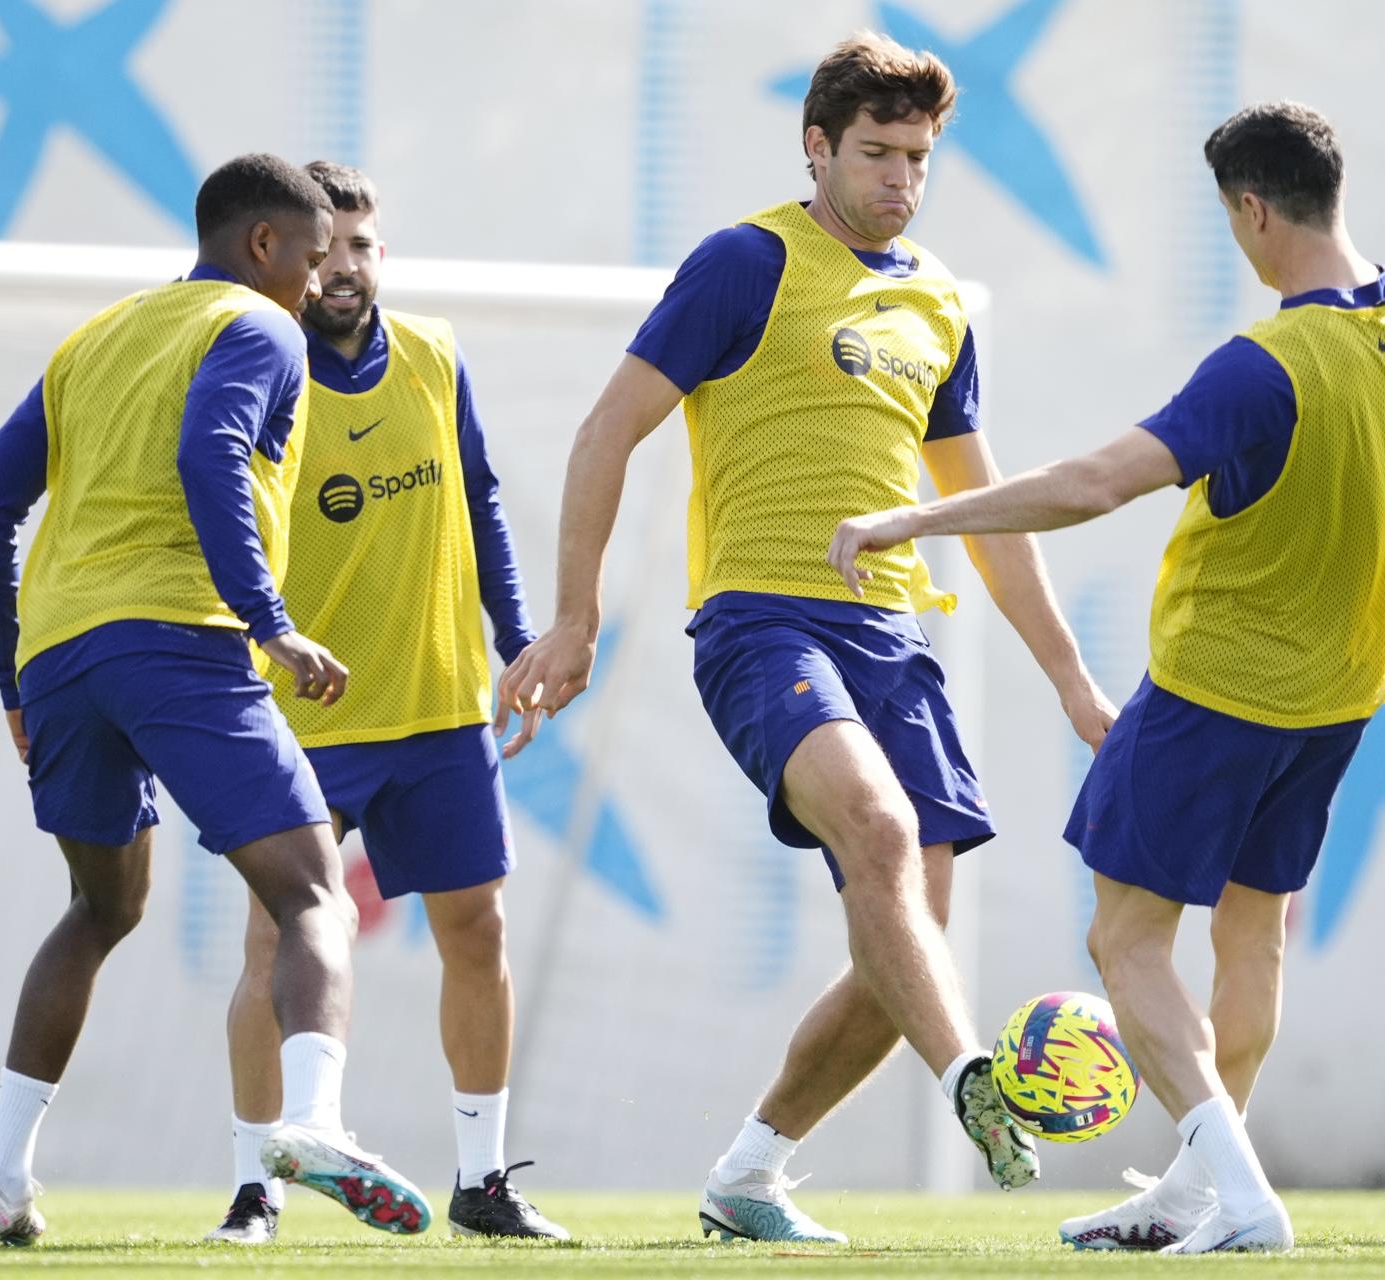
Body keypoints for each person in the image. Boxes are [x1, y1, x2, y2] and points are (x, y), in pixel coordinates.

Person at [828, 101, 1385, 1254]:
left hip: (1214, 694)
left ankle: (1239, 1192)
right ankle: (1203, 1187)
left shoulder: (1265, 365)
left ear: (1251, 207)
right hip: (1340, 698)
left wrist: (922, 514)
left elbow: (1092, 483)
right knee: (1253, 943)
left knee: (1126, 944)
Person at [496, 33, 1114, 1243]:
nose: (900, 178)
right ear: (817, 145)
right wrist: (574, 618)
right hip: (762, 623)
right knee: (880, 831)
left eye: (919, 158)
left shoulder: (938, 302)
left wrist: (1073, 679)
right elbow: (605, 430)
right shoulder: (743, 262)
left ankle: (750, 1169)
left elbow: (988, 514)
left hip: (897, 639)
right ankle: (971, 1082)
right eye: (877, 152)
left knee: (906, 938)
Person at [0, 153, 430, 1246]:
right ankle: (311, 1121)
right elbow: (211, 449)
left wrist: (11, 673)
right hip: (181, 640)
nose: (318, 286)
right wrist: (266, 617)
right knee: (314, 887)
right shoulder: (257, 330)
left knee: (101, 907)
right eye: (312, 260)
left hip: (65, 660)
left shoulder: (93, 339)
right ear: (265, 245)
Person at [205, 161, 565, 1245]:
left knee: (477, 929)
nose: (347, 267)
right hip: (306, 713)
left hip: (440, 707)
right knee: (273, 947)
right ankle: (257, 1183)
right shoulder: (259, 365)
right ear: (298, 255)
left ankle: (482, 1178)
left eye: (365, 246)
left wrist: (517, 641)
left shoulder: (435, 355)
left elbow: (482, 500)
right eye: (332, 248)